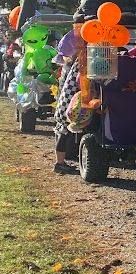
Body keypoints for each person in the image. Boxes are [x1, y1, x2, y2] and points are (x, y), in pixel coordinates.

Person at [52, 29, 85, 174]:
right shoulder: (75, 65)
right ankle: (59, 163)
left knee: (63, 133)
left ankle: (60, 162)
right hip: (68, 104)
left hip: (64, 103)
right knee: (64, 133)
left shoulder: (68, 65)